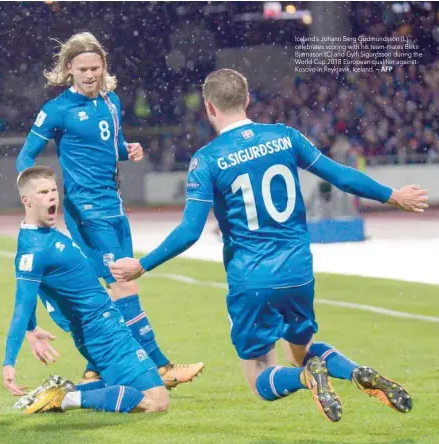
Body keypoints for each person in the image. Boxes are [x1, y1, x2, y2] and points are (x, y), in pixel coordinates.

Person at [110, 69, 429, 422]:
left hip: (252, 278)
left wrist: (143, 265)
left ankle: (309, 378)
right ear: (247, 100)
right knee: (303, 348)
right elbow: (339, 174)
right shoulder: (285, 136)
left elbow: (190, 231)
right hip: (298, 271)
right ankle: (355, 372)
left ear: (209, 108)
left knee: (260, 374)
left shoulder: (208, 159)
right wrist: (393, 195)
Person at [16, 32, 203, 387]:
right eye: (83, 69)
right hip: (87, 211)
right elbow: (26, 156)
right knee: (123, 283)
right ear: (69, 68)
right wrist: (38, 194)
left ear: (104, 68)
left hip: (114, 207)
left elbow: (112, 146)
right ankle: (160, 367)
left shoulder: (112, 101)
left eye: (96, 68)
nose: (90, 75)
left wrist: (127, 150)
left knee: (99, 290)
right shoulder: (56, 110)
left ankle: (96, 366)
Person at [4, 166, 169, 415]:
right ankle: (64, 398)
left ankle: (66, 393)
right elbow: (22, 304)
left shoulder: (42, 235)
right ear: (26, 200)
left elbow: (35, 290)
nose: (52, 196)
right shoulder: (35, 249)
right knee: (157, 401)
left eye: (53, 190)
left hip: (102, 326)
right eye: (42, 192)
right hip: (102, 332)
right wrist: (9, 361)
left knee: (127, 388)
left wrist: (32, 328)